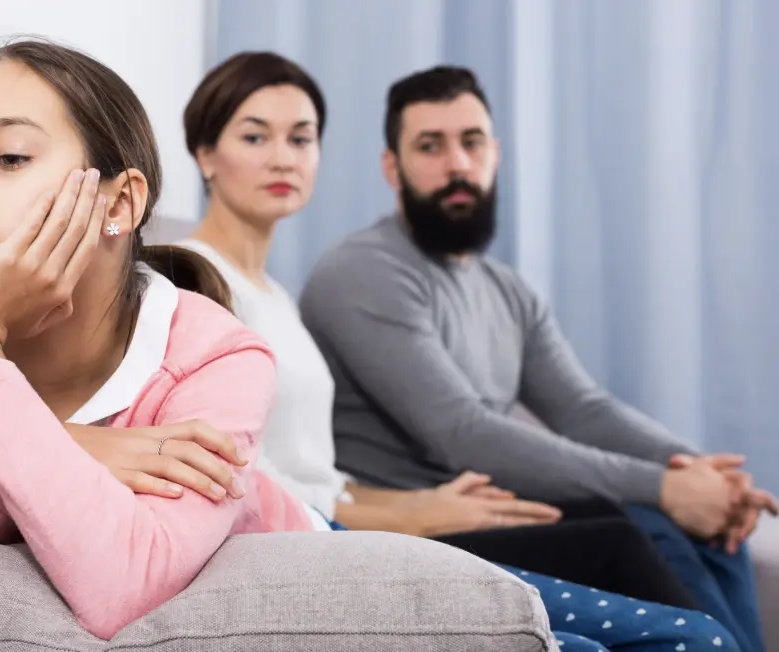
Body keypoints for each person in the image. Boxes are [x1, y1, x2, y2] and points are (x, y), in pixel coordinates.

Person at [174, 50, 739, 652]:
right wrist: (410, 514)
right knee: (645, 572)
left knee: (679, 540)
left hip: (345, 521)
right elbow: (237, 469)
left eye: (302, 137)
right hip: (310, 546)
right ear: (206, 153)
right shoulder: (199, 281)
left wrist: (695, 473)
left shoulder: (276, 294)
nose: (283, 157)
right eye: (255, 136)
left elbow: (582, 406)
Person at [0, 39, 320, 641]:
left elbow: (124, 589)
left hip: (306, 552)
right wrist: (51, 455)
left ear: (120, 202)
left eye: (8, 157)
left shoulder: (222, 356)